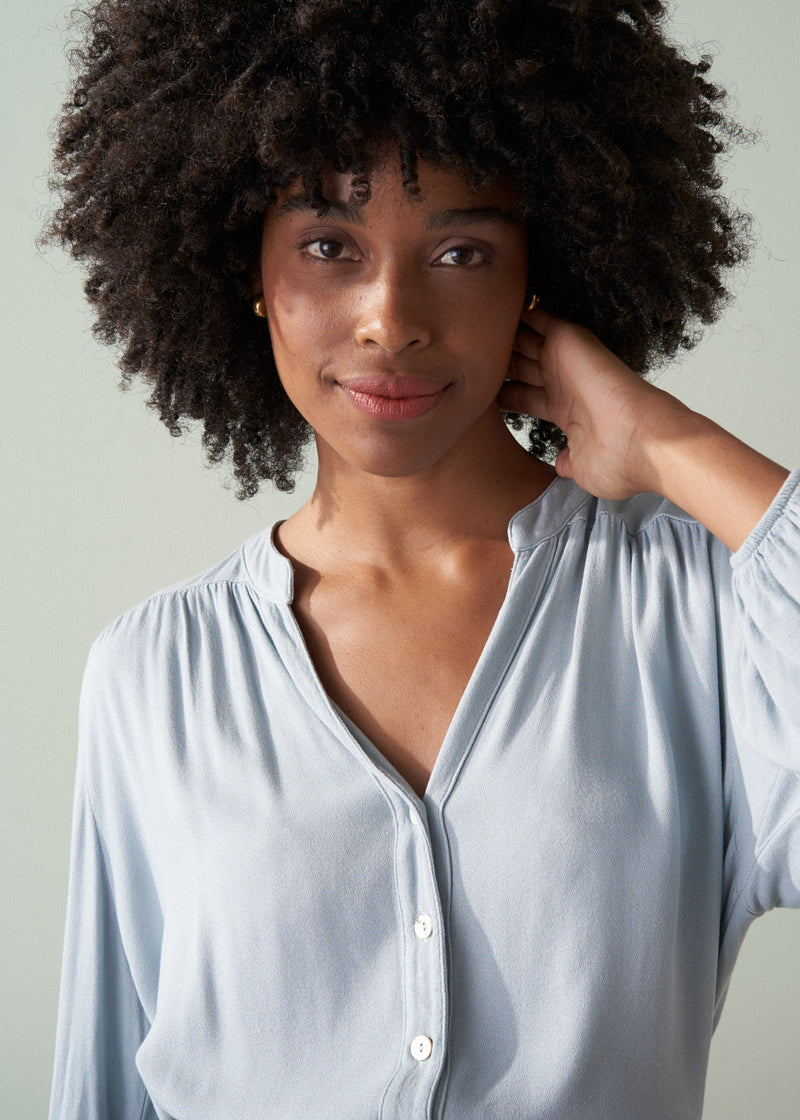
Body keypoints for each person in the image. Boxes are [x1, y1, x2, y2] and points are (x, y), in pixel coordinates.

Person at [46, 1, 799, 1117]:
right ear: (242, 266)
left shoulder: (690, 610)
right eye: (326, 245)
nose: (389, 318)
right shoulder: (155, 670)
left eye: (461, 249)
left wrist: (664, 443)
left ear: (537, 276)